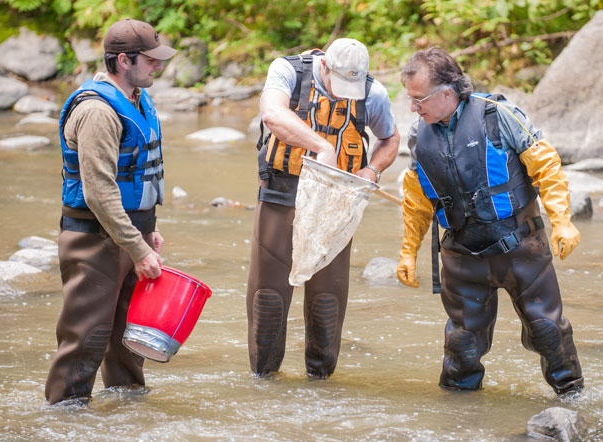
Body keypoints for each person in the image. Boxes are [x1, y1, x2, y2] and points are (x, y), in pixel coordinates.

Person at [397, 48, 583, 395]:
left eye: (418, 99)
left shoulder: (499, 116)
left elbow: (547, 168)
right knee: (462, 346)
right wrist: (409, 252)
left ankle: (573, 399)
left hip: (521, 248)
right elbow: (417, 199)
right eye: (411, 99)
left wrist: (562, 222)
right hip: (461, 256)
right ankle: (461, 419)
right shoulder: (417, 136)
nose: (413, 107)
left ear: (447, 93)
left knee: (548, 332)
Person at [249, 38, 400, 378]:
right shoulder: (287, 71)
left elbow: (390, 139)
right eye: (340, 85)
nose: (347, 95)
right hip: (281, 196)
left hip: (336, 206)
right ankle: (264, 382)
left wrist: (372, 169)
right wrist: (320, 146)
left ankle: (320, 382)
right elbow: (272, 114)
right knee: (269, 302)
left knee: (326, 306)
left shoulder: (372, 93)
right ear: (323, 67)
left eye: (353, 87)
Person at [45, 18, 176, 405]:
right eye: (151, 60)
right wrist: (138, 248)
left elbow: (135, 179)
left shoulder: (138, 98)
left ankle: (128, 412)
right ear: (123, 60)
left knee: (127, 342)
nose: (159, 66)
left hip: (127, 235)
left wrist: (146, 232)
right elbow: (99, 192)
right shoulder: (98, 111)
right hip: (92, 240)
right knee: (84, 340)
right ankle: (64, 419)